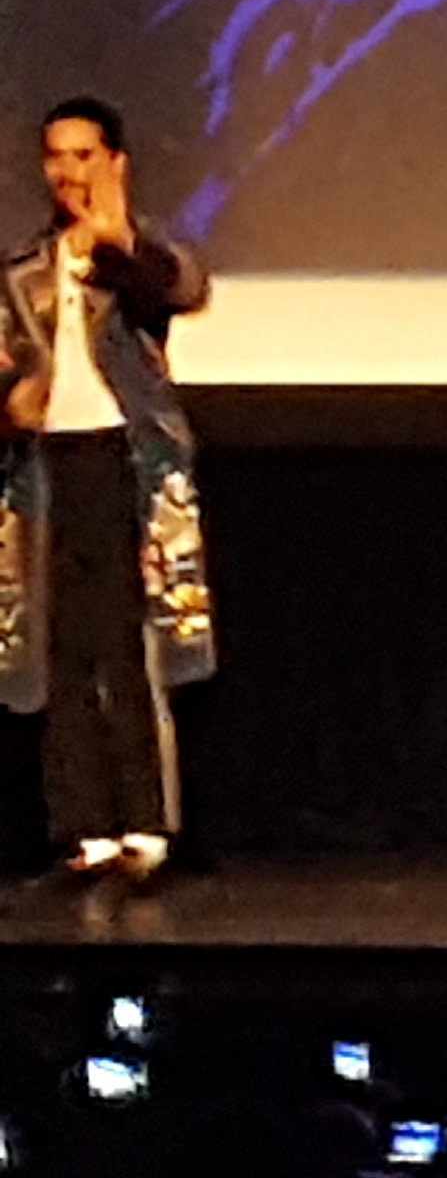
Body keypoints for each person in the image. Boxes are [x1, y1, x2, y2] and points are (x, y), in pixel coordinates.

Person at [0, 99, 215, 884]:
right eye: (56, 156)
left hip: (125, 462)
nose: (68, 171)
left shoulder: (138, 256)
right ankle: (82, 822)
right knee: (62, 647)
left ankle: (145, 821)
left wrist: (115, 238)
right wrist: (11, 404)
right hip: (45, 470)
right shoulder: (23, 267)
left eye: (84, 155)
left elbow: (179, 292)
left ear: (115, 163)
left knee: (130, 644)